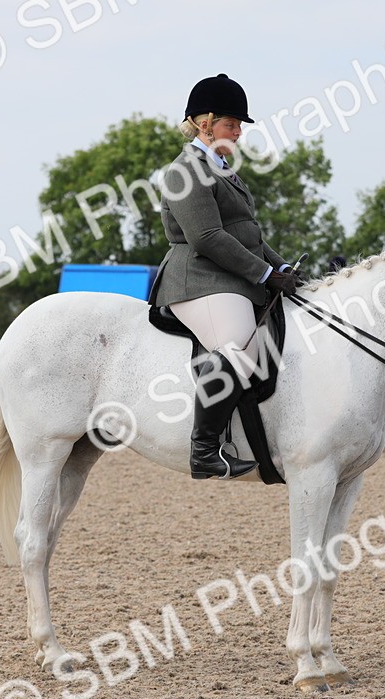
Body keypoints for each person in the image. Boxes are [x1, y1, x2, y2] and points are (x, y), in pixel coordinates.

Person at [148, 74, 298, 480]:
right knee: (240, 349)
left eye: (238, 126)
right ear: (205, 124)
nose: (238, 133)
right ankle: (204, 449)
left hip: (230, 277)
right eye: (231, 124)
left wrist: (282, 268)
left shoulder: (223, 168)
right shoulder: (184, 171)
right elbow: (207, 237)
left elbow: (247, 234)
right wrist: (264, 273)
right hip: (197, 278)